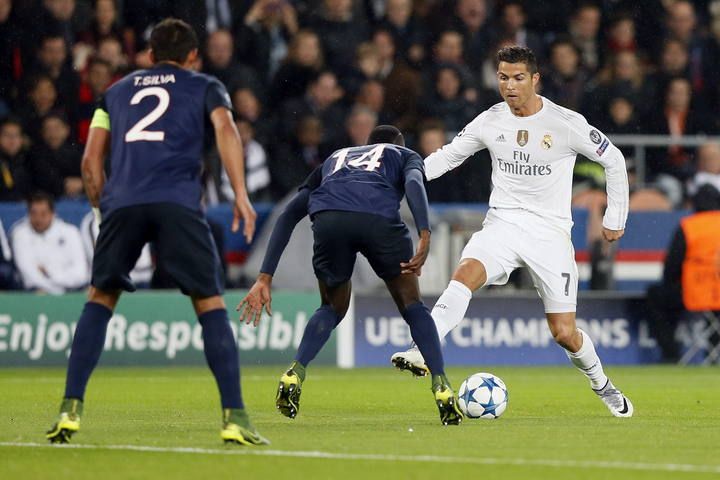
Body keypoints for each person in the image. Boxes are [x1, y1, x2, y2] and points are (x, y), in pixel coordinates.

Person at [44, 18, 265, 446]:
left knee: (100, 297)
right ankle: (234, 416)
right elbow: (225, 130)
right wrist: (240, 192)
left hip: (123, 202)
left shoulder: (114, 91)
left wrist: (100, 207)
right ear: (193, 56)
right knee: (209, 301)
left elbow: (91, 161)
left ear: (148, 55)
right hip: (177, 202)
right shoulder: (205, 86)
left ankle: (70, 408)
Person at [391, 46, 634, 418]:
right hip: (503, 223)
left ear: (535, 79)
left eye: (518, 77)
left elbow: (613, 158)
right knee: (463, 275)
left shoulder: (565, 122)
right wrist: (403, 177)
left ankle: (602, 384)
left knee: (564, 333)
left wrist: (615, 217)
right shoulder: (490, 120)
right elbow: (448, 156)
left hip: (550, 234)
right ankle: (422, 348)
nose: (510, 85)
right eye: (503, 77)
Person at [238, 125, 463, 426]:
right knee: (412, 306)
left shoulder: (334, 159)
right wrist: (424, 229)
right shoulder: (402, 154)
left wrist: (264, 277)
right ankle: (441, 385)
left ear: (367, 145)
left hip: (329, 220)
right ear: (399, 144)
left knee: (331, 307)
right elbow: (413, 182)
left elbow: (289, 214)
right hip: (379, 221)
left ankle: (295, 371)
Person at [645, 184, 720, 362]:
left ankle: (670, 354)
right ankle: (714, 355)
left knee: (657, 296)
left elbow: (672, 266)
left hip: (696, 293)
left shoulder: (690, 226)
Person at [10, 192, 88, 294]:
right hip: (37, 291)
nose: (38, 219)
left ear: (53, 213)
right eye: (34, 213)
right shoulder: (20, 233)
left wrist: (50, 273)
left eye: (43, 214)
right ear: (28, 214)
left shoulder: (70, 232)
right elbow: (28, 274)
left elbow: (81, 273)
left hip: (71, 289)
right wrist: (54, 289)